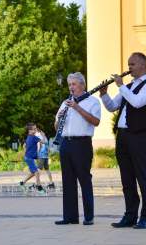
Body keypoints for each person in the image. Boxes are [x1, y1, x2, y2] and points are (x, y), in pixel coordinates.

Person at [99, 52, 146, 229]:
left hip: (139, 136)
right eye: (129, 64)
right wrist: (103, 95)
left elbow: (137, 103)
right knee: (127, 179)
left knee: (143, 176)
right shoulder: (130, 86)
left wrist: (120, 86)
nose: (129, 68)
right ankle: (130, 215)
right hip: (123, 136)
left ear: (142, 65)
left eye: (132, 64)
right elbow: (112, 107)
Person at [54, 72, 101, 226]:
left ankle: (89, 217)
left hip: (82, 144)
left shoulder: (93, 101)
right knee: (68, 181)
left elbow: (95, 121)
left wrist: (77, 108)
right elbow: (56, 127)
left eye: (74, 84)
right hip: (65, 144)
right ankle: (70, 217)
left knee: (84, 180)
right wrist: (60, 117)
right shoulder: (65, 102)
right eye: (69, 85)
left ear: (82, 85)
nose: (71, 87)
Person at [19, 123, 46, 193]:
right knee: (36, 172)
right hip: (29, 158)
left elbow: (24, 146)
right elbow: (44, 142)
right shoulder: (34, 137)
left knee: (32, 173)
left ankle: (22, 183)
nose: (36, 130)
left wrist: (26, 152)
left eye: (36, 128)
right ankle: (39, 187)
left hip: (28, 157)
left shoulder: (29, 136)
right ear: (29, 130)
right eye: (34, 129)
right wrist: (43, 135)